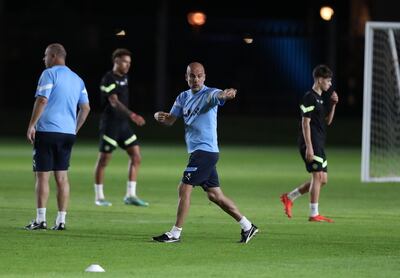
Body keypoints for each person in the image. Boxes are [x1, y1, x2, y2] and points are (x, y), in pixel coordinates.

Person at [152, 62, 258, 243]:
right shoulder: (182, 97)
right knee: (215, 195)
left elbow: (221, 94)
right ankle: (247, 226)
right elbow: (170, 120)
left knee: (184, 187)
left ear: (204, 77)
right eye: (192, 76)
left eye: (199, 75)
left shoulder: (209, 94)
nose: (196, 79)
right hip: (198, 153)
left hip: (205, 152)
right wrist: (159, 117)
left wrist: (228, 93)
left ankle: (175, 233)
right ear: (186, 77)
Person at [25, 43, 90, 230]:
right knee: (62, 177)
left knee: (42, 177)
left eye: (45, 55)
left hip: (47, 131)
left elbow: (42, 99)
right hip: (67, 134)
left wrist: (31, 124)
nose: (44, 59)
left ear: (54, 56)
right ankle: (61, 221)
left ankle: (40, 220)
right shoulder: (77, 79)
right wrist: (74, 129)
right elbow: (85, 108)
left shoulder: (49, 73)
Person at [280, 64, 339, 222]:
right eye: (328, 80)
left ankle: (289, 197)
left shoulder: (320, 99)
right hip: (310, 142)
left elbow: (327, 121)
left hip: (319, 142)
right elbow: (305, 123)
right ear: (320, 80)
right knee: (317, 177)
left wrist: (333, 105)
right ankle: (314, 214)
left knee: (322, 180)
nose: (330, 83)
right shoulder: (309, 97)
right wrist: (309, 147)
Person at [93, 48, 148, 207]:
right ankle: (99, 197)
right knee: (104, 160)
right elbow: (114, 101)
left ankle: (130, 195)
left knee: (136, 156)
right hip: (110, 125)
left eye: (129, 63)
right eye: (124, 62)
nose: (127, 65)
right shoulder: (108, 78)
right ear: (116, 61)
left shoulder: (125, 78)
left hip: (123, 126)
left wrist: (128, 118)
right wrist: (132, 115)